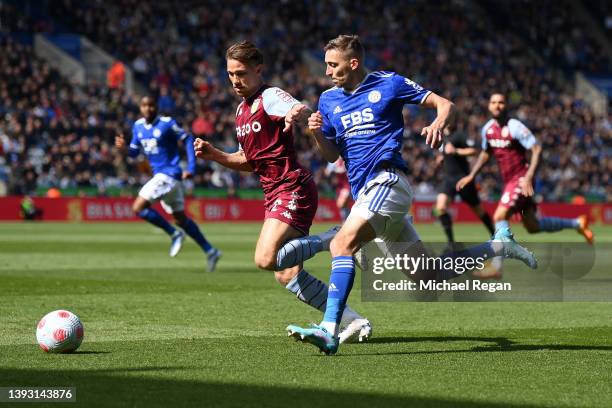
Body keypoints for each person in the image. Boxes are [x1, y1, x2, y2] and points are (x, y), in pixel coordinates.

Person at [286, 35, 537, 355]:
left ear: (353, 63)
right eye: (326, 65)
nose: (328, 71)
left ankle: (329, 329)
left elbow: (445, 104)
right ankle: (499, 245)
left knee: (341, 243)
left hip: (387, 180)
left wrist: (438, 124)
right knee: (427, 277)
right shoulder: (328, 100)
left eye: (333, 65)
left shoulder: (387, 83)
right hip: (367, 191)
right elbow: (331, 155)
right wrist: (317, 133)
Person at [193, 41, 371, 343]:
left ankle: (335, 237)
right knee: (285, 273)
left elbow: (300, 107)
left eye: (242, 73)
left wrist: (294, 115)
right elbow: (249, 161)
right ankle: (353, 321)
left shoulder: (270, 96)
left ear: (258, 70)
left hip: (292, 188)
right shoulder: (241, 111)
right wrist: (216, 155)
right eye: (230, 74)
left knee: (265, 258)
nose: (235, 80)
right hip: (274, 194)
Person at [456, 93, 594, 278]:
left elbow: (536, 149)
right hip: (510, 181)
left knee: (499, 215)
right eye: (494, 102)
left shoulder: (515, 126)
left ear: (506, 106)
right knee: (532, 226)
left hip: (521, 179)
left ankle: (497, 267)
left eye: (501, 102)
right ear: (489, 106)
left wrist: (528, 177)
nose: (497, 105)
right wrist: (472, 175)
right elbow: (486, 153)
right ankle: (577, 223)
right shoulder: (487, 130)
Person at [115, 95, 221, 271]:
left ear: (156, 107)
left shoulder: (167, 123)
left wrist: (192, 168)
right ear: (140, 108)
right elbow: (134, 152)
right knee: (180, 219)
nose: (148, 108)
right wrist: (124, 148)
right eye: (144, 105)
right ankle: (210, 251)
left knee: (138, 208)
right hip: (165, 178)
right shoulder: (138, 126)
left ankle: (173, 234)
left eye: (151, 105)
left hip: (169, 174)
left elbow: (187, 139)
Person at [434, 125, 494, 247]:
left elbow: (473, 151)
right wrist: (441, 158)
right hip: (448, 179)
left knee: (479, 211)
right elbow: (445, 153)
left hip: (463, 179)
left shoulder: (460, 134)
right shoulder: (442, 136)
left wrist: (456, 151)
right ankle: (451, 243)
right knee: (440, 207)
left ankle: (496, 236)